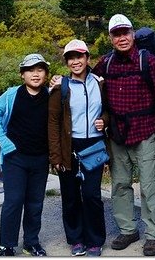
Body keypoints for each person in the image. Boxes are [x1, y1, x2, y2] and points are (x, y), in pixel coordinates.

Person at [93, 14, 155, 256]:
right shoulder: (106, 63)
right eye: (116, 34)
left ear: (133, 34)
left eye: (125, 33)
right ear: (111, 37)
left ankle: (153, 234)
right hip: (117, 135)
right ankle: (128, 229)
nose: (122, 38)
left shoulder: (149, 61)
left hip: (145, 131)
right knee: (120, 184)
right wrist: (61, 82)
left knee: (149, 185)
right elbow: (88, 82)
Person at [0, 53, 51, 257]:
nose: (35, 74)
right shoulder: (12, 94)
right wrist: (5, 143)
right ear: (22, 74)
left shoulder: (51, 95)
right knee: (14, 201)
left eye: (40, 70)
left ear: (46, 74)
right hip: (15, 158)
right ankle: (7, 245)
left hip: (40, 158)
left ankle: (31, 243)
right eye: (30, 70)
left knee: (35, 203)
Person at [49, 39, 108, 257]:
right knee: (70, 194)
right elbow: (53, 122)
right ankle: (75, 239)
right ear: (67, 62)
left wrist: (104, 120)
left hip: (93, 144)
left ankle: (95, 239)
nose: (76, 61)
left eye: (79, 56)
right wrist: (55, 155)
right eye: (71, 58)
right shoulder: (60, 87)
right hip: (69, 146)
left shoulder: (99, 83)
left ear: (87, 58)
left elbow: (107, 110)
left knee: (92, 194)